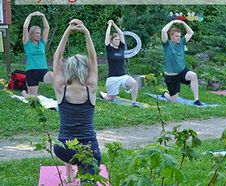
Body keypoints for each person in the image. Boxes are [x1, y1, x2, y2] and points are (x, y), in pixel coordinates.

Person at [51, 19, 101, 183]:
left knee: (70, 148)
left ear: (68, 70)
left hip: (63, 149)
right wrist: (85, 32)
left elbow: (57, 57)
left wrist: (68, 31)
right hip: (88, 150)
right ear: (85, 70)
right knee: (88, 169)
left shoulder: (61, 88)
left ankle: (71, 173)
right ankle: (81, 175)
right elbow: (93, 58)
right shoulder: (91, 88)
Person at [160, 20, 202, 106]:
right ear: (171, 36)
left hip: (182, 71)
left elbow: (190, 33)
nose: (178, 38)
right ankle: (165, 94)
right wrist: (172, 22)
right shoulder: (167, 44)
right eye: (176, 36)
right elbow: (163, 31)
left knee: (193, 75)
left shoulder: (182, 42)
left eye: (179, 36)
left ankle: (196, 100)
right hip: (171, 76)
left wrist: (183, 23)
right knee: (174, 100)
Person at [100, 20, 140, 107]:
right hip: (112, 78)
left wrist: (114, 24)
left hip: (123, 76)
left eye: (118, 39)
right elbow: (107, 36)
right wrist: (109, 25)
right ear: (111, 41)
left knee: (134, 83)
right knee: (110, 98)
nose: (118, 41)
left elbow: (121, 33)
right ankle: (103, 94)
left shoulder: (121, 47)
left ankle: (134, 102)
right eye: (116, 39)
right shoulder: (109, 49)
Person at [21, 11, 54, 97]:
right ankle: (24, 93)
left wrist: (43, 16)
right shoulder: (27, 43)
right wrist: (30, 15)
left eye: (39, 33)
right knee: (33, 99)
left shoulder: (42, 43)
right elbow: (25, 28)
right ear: (31, 34)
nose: (39, 35)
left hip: (43, 70)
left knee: (55, 76)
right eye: (36, 33)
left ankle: (63, 97)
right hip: (31, 72)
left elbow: (47, 28)